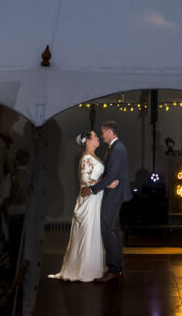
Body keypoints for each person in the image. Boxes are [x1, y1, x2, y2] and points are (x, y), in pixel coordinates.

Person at [49, 132, 115, 281]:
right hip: (90, 199)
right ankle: (85, 269)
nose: (98, 138)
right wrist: (107, 183)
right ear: (88, 142)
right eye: (95, 137)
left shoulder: (92, 156)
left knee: (95, 231)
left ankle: (94, 267)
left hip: (96, 197)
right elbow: (86, 181)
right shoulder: (86, 158)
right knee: (88, 231)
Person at [86, 121, 130, 282]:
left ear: (110, 132)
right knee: (114, 231)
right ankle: (117, 267)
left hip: (113, 195)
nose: (101, 135)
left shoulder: (117, 149)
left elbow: (111, 176)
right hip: (115, 194)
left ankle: (113, 269)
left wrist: (92, 189)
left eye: (103, 132)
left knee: (108, 231)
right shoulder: (118, 147)